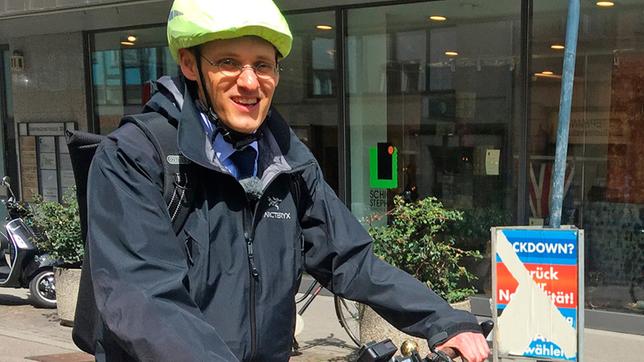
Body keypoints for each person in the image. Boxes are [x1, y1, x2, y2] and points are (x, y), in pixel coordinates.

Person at [85, 0, 490, 361]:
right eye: (227, 62)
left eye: (262, 64)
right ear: (190, 65)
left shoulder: (288, 159)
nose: (249, 82)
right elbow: (145, 297)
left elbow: (350, 259)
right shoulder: (134, 156)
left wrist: (444, 320)